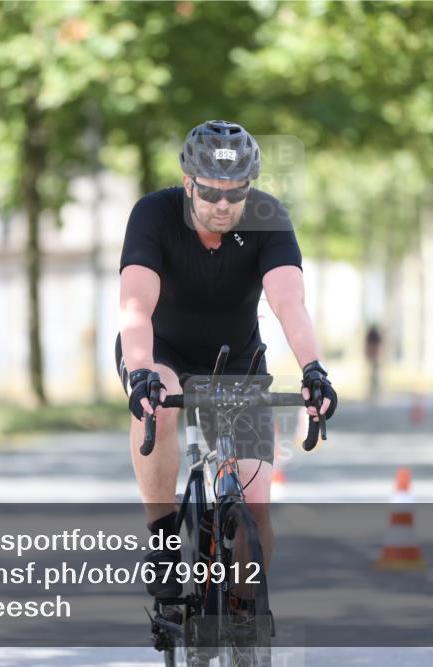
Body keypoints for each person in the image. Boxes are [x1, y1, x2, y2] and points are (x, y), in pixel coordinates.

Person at [116, 120, 338, 601]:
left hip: (235, 359)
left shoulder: (268, 217)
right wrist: (141, 372)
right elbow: (135, 306)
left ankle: (242, 613)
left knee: (255, 505)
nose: (223, 204)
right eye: (211, 192)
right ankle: (163, 540)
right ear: (188, 183)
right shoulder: (153, 214)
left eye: (235, 193)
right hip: (160, 350)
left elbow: (289, 302)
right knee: (160, 403)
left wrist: (313, 369)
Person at [364, 322, 383, 401]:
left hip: (374, 356)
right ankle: (373, 388)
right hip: (373, 356)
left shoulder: (373, 335)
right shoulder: (373, 335)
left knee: (375, 373)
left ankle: (375, 388)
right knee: (372, 373)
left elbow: (376, 344)